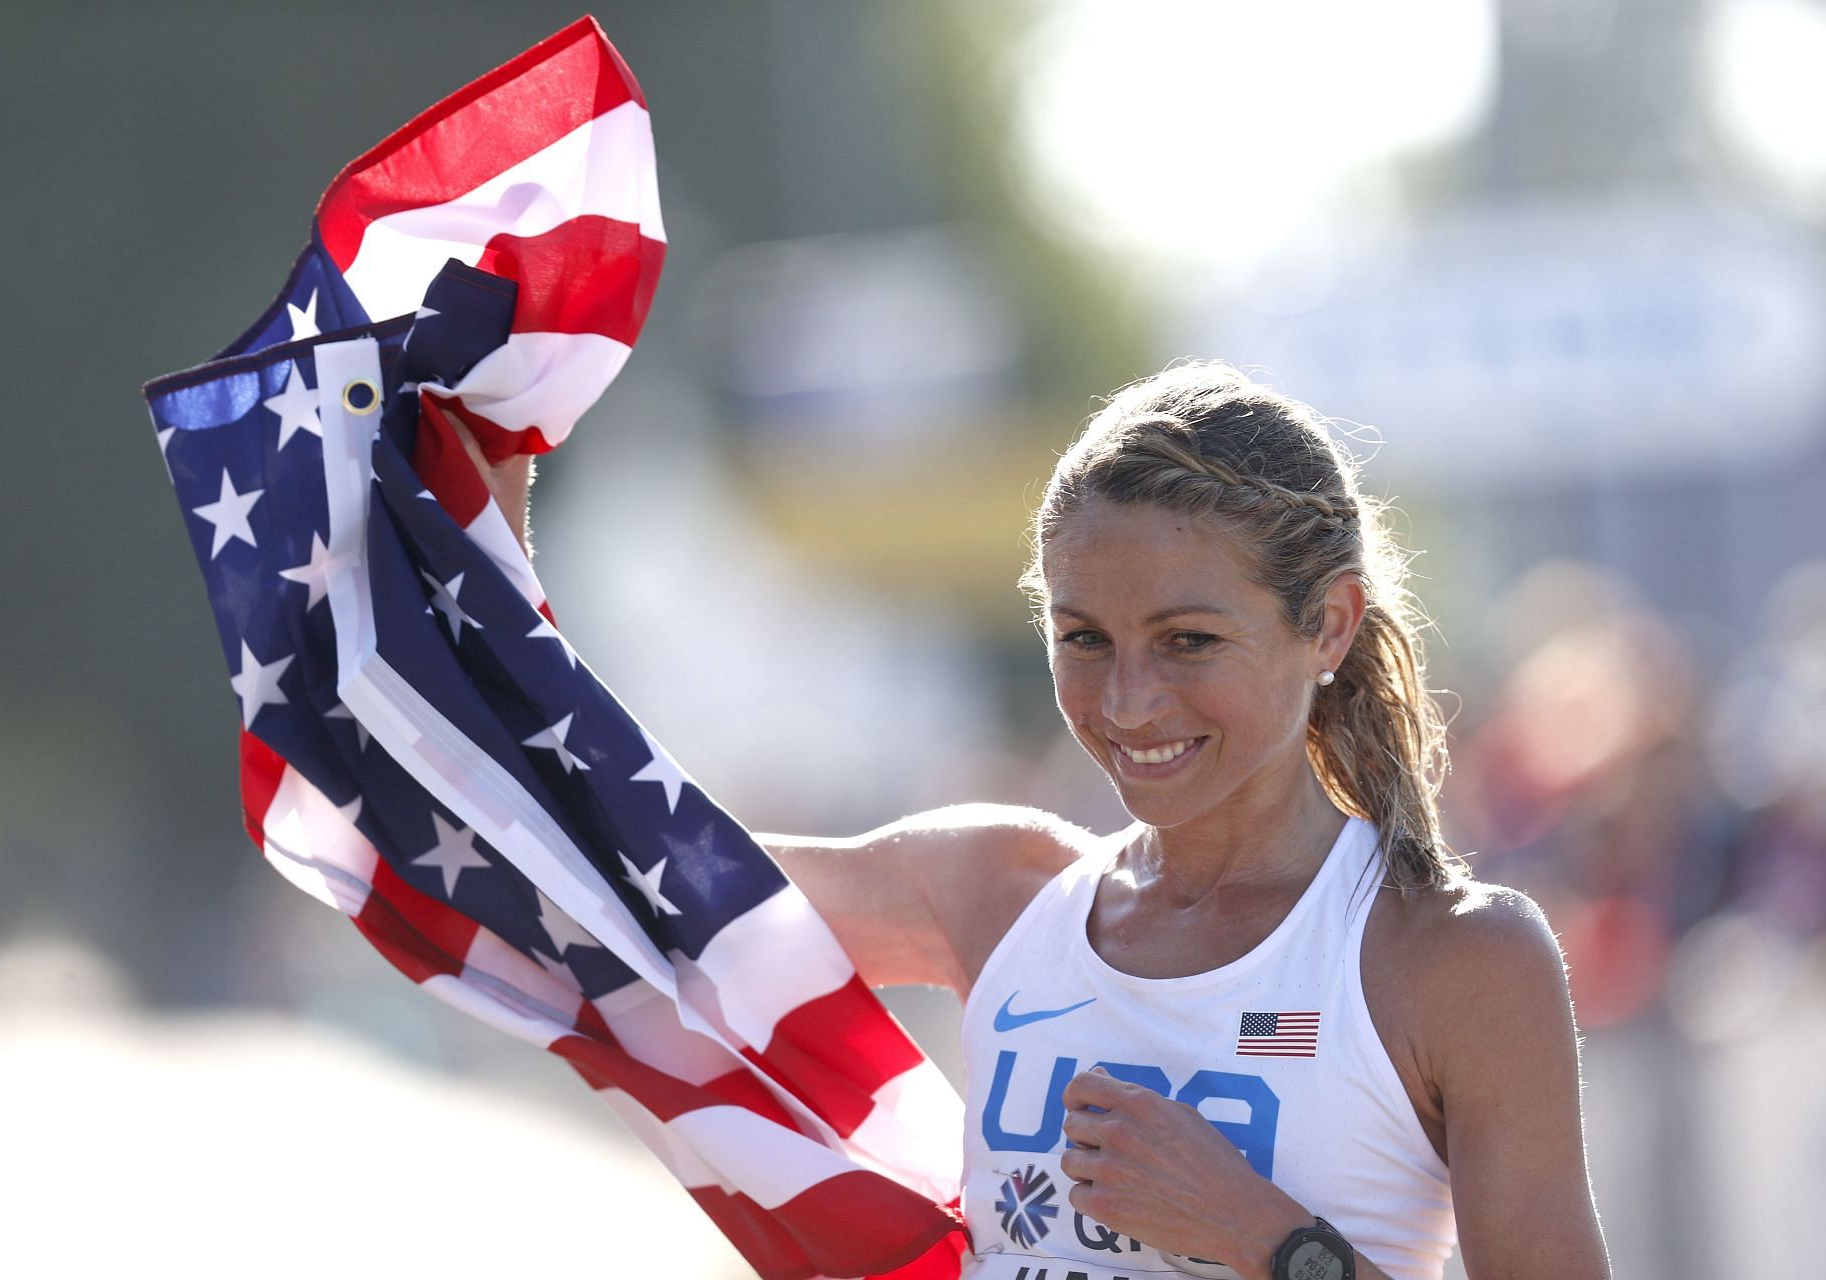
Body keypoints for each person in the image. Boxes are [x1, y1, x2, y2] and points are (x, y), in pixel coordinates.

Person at [475, 361, 1612, 1280]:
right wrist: (486, 516)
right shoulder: (1001, 888)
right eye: (1084, 638)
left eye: (1189, 640)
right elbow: (611, 876)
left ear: (1329, 625)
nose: (1128, 702)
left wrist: (1268, 1238)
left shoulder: (1453, 955)